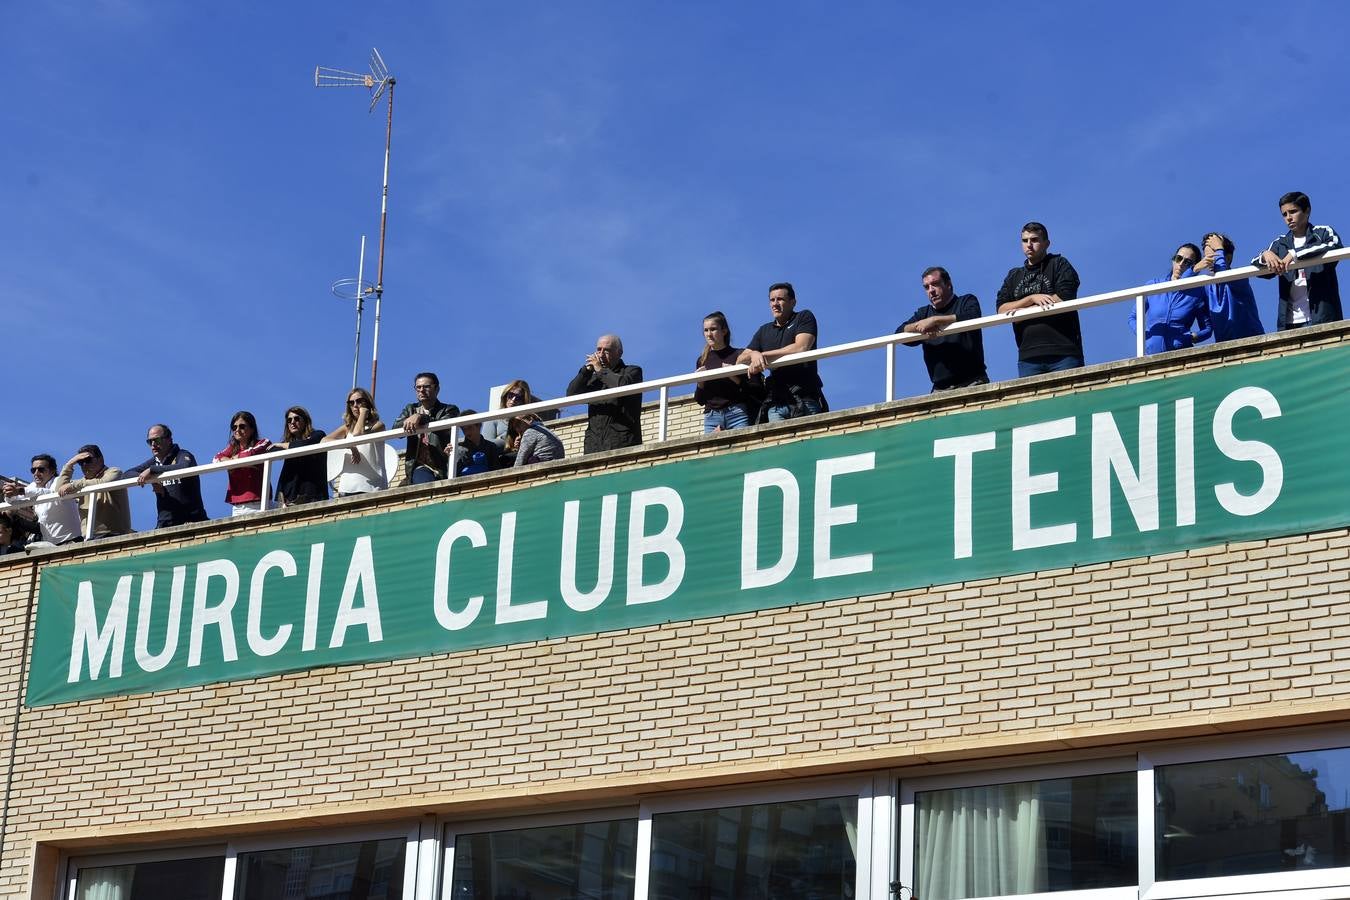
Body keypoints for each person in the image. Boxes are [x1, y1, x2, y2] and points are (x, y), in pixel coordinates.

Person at [996, 222, 1085, 376]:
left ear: (1046, 243)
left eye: (1034, 240)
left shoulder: (1059, 264)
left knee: (1071, 399)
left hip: (1064, 353)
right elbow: (1001, 310)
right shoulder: (1013, 276)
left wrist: (1022, 312)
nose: (1029, 245)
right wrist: (1031, 298)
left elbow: (1064, 297)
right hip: (1028, 358)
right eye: (1025, 241)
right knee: (1032, 400)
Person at [1253, 191, 1342, 329]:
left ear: (1307, 211)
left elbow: (1335, 246)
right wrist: (1265, 254)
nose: (1288, 218)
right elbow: (1257, 267)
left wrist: (1295, 254)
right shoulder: (1280, 243)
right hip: (1289, 323)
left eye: (1293, 212)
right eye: (1284, 214)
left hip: (1323, 319)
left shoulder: (1323, 232)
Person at [739, 282, 824, 422]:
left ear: (793, 302)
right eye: (772, 300)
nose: (775, 303)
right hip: (776, 405)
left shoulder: (804, 317)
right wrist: (754, 354)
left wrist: (763, 355)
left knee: (809, 443)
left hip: (805, 400)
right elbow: (740, 359)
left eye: (780, 299)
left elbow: (801, 347)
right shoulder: (764, 330)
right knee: (780, 444)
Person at [897, 267, 989, 391]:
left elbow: (973, 316)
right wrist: (919, 326)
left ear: (948, 284)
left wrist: (936, 320)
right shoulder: (923, 313)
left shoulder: (966, 301)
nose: (931, 290)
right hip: (940, 389)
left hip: (974, 382)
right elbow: (899, 333)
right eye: (926, 287)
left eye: (935, 284)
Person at [1127, 244, 1212, 354]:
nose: (1181, 264)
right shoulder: (1154, 285)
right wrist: (1145, 335)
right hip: (1150, 357)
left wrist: (1189, 338)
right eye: (1178, 258)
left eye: (1187, 262)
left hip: (1181, 358)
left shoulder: (1197, 293)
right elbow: (1133, 317)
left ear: (1194, 266)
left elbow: (1207, 329)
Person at [566, 334, 644, 452]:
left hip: (622, 445)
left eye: (606, 350)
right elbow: (571, 394)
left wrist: (600, 371)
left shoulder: (632, 371)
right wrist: (586, 372)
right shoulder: (594, 379)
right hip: (594, 446)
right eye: (598, 349)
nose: (601, 354)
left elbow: (622, 386)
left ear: (619, 353)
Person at [123, 424, 210, 528]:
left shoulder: (183, 455)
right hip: (165, 526)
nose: (153, 444)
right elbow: (127, 474)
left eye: (157, 440)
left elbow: (184, 467)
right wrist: (152, 481)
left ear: (169, 440)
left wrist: (152, 470)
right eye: (150, 441)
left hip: (192, 522)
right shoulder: (154, 461)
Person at [1195, 232, 1264, 343]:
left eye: (1214, 256)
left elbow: (1222, 276)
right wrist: (1194, 270)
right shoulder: (1206, 288)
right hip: (1225, 349)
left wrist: (1219, 248)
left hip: (1253, 343)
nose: (1209, 262)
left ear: (1228, 257)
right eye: (1206, 257)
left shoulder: (1239, 278)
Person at [53, 444, 132, 538]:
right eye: (80, 462)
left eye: (88, 460)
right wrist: (69, 464)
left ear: (100, 459)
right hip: (88, 536)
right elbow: (58, 490)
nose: (84, 465)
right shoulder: (81, 483)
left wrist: (73, 485)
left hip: (113, 534)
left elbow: (103, 483)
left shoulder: (114, 472)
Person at [2, 454, 82, 546]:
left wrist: (20, 490)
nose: (36, 473)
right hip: (50, 545)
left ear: (52, 471)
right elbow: (14, 501)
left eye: (41, 469)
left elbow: (51, 493)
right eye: (33, 470)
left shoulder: (58, 481)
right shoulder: (33, 486)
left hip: (71, 541)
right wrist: (9, 492)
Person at [322, 387, 388, 496]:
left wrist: (363, 413)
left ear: (367, 403)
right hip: (348, 486)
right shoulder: (347, 428)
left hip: (372, 486)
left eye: (359, 401)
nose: (355, 405)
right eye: (351, 403)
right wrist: (351, 447)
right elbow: (324, 441)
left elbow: (358, 434)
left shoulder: (378, 425)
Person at [397, 372, 460, 484]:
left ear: (437, 389)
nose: (421, 390)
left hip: (441, 465)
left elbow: (443, 426)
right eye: (418, 387)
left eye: (426, 386)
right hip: (418, 467)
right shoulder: (410, 409)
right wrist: (413, 418)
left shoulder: (449, 409)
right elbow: (396, 427)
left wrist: (420, 417)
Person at [694, 311, 753, 432]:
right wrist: (700, 383)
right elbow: (700, 400)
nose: (709, 334)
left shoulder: (739, 355)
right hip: (712, 418)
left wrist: (733, 376)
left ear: (724, 331)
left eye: (713, 329)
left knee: (743, 450)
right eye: (706, 330)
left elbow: (752, 390)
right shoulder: (702, 360)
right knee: (711, 451)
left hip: (737, 414)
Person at [213, 411, 273, 516]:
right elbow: (216, 459)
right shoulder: (231, 448)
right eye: (234, 427)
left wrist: (232, 459)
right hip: (238, 506)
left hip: (260, 503)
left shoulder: (263, 442)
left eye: (242, 426)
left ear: (252, 428)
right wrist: (237, 460)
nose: (237, 430)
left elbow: (251, 454)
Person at [273, 406, 329, 506]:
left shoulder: (318, 435)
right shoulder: (287, 444)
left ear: (305, 421)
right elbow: (271, 451)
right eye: (289, 420)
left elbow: (305, 444)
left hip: (312, 497)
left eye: (296, 419)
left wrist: (283, 445)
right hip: (289, 498)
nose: (292, 422)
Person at [453, 412, 503, 477]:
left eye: (469, 427)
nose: (466, 432)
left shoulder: (490, 446)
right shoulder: (458, 449)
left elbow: (496, 470)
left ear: (479, 425)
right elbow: (454, 474)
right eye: (463, 429)